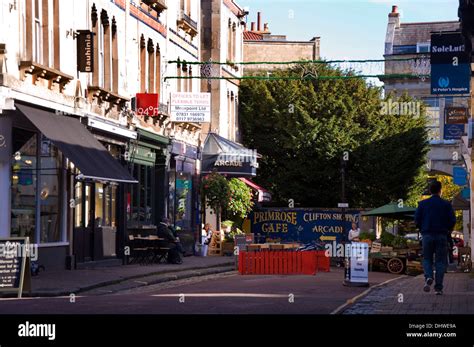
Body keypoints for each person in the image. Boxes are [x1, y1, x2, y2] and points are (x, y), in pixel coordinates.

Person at [415, 180, 456, 295]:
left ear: (429, 191)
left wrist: (421, 229)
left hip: (427, 235)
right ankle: (438, 288)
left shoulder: (422, 204)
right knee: (440, 262)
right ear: (440, 190)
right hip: (442, 235)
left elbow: (417, 219)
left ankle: (428, 277)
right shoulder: (446, 204)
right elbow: (452, 220)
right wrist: (448, 230)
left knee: (427, 259)